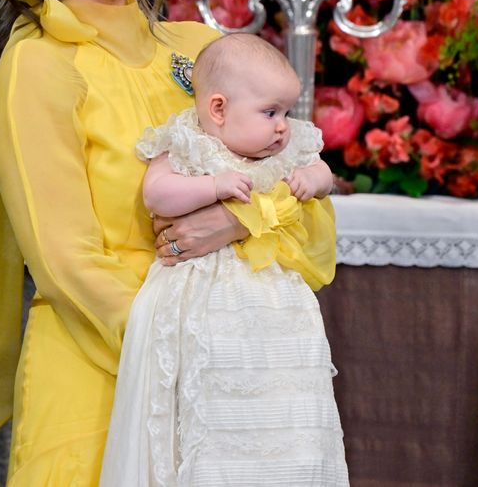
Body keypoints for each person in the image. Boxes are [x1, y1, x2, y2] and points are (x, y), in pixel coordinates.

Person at [0, 0, 254, 485]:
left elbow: (301, 193)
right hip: (103, 376)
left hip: (220, 373)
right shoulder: (39, 66)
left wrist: (246, 217)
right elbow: (69, 264)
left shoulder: (200, 50)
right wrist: (190, 354)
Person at [100, 32, 348, 486]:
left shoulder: (285, 149)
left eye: (286, 113)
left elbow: (323, 170)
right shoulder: (191, 145)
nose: (282, 126)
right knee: (211, 398)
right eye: (270, 112)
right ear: (218, 109)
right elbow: (157, 193)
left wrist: (315, 180)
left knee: (282, 392)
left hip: (274, 301)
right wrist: (212, 187)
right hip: (203, 294)